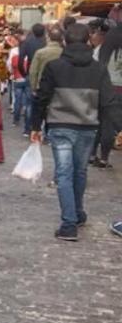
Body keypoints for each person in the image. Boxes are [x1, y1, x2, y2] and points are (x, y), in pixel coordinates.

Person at [32, 23, 117, 242]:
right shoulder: (99, 68)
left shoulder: (54, 66)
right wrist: (115, 127)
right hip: (88, 126)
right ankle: (77, 214)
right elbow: (108, 101)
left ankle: (69, 224)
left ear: (65, 42)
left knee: (63, 173)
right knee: (79, 171)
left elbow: (42, 97)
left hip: (60, 125)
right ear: (89, 40)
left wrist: (35, 126)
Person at [92, 20, 122, 167]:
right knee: (109, 126)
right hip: (118, 90)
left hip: (106, 88)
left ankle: (93, 155)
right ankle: (104, 157)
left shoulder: (104, 50)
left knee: (101, 123)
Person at [20, 23, 47, 133]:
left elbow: (21, 60)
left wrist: (24, 73)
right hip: (46, 75)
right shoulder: (47, 43)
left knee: (29, 103)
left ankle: (28, 128)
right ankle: (44, 130)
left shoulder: (27, 42)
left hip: (31, 74)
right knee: (45, 104)